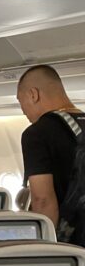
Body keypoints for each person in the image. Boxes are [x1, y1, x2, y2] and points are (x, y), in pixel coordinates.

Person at [17, 65, 85, 228]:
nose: (23, 111)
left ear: (33, 94)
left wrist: (45, 248)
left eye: (21, 102)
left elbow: (43, 201)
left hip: (73, 244)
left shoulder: (36, 134)